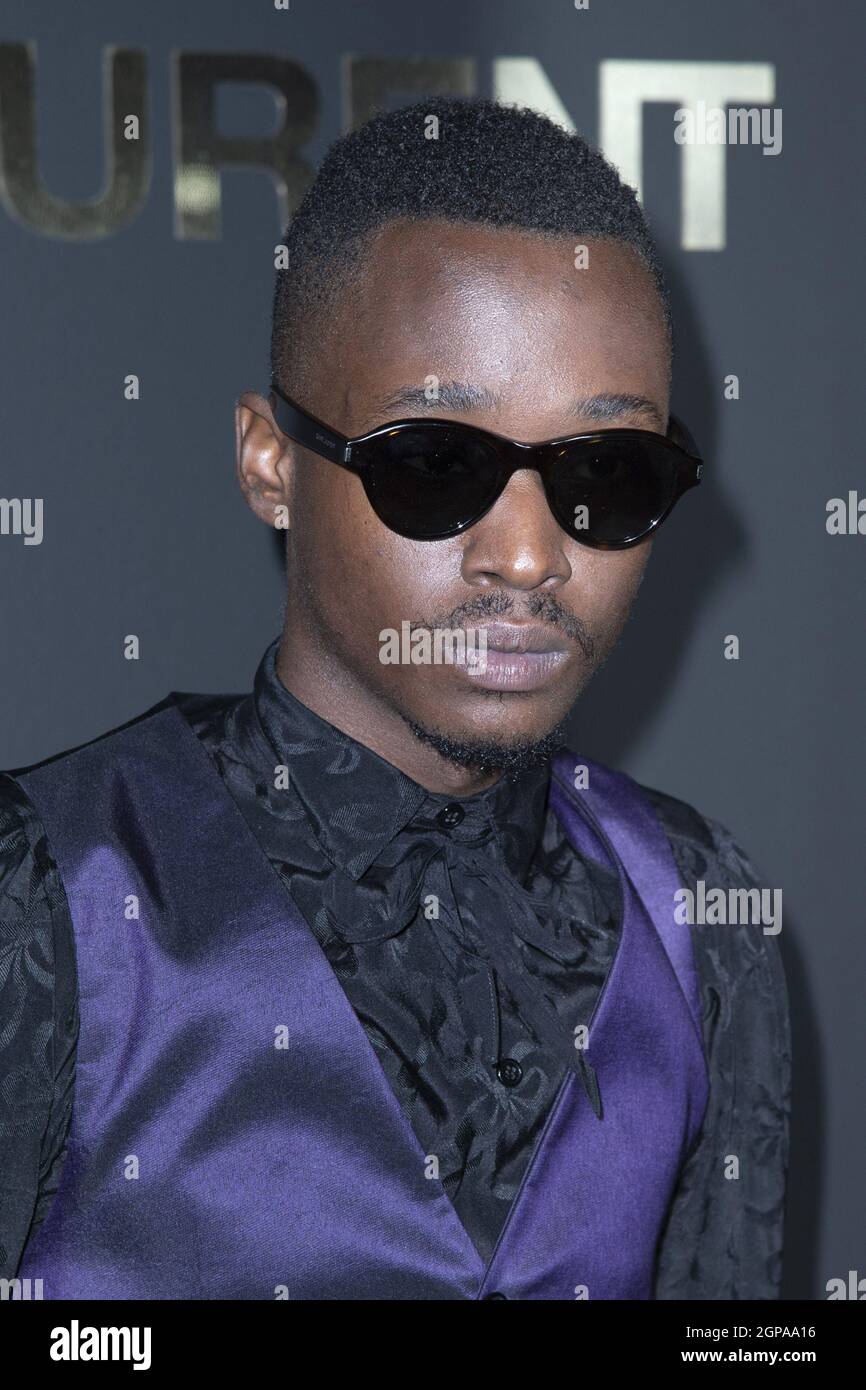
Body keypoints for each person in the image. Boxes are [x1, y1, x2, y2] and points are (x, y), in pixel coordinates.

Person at [0, 97, 789, 1301]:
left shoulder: (699, 911)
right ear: (270, 462)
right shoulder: (48, 892)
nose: (524, 557)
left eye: (607, 474)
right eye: (436, 463)